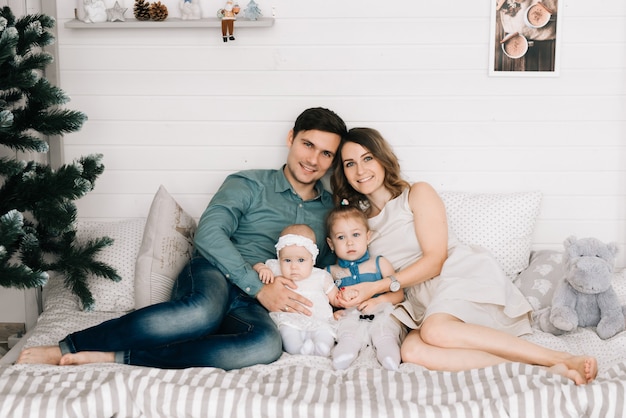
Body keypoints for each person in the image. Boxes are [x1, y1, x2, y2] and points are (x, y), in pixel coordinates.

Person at [17, 107, 347, 370]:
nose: (313, 160)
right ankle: (67, 346)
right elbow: (210, 233)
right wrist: (258, 285)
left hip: (259, 302)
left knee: (264, 345)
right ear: (291, 138)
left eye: (326, 154)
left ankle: (118, 357)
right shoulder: (249, 183)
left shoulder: (329, 211)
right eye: (308, 145)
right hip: (215, 272)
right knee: (200, 313)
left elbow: (329, 269)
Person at [329, 127, 598, 385]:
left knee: (436, 331)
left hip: (454, 272)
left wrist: (376, 287)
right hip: (416, 295)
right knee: (412, 352)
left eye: (367, 158)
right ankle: (543, 373)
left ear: (382, 159)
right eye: (350, 163)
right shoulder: (356, 224)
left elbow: (435, 260)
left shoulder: (416, 193)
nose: (360, 170)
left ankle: (563, 358)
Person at [325, 203, 405, 370]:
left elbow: (399, 295)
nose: (349, 243)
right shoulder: (330, 272)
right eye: (341, 237)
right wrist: (333, 311)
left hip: (381, 313)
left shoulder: (379, 263)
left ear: (367, 237)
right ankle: (346, 352)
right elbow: (325, 300)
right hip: (350, 317)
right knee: (347, 331)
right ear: (331, 243)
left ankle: (388, 352)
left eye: (355, 235)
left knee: (385, 330)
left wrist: (379, 301)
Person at [254, 224, 339, 357]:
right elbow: (258, 265)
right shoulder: (276, 269)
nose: (294, 266)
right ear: (279, 258)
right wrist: (261, 269)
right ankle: (298, 349)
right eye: (287, 260)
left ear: (312, 260)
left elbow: (335, 298)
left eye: (301, 260)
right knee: (288, 334)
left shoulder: (321, 276)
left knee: (325, 332)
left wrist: (345, 300)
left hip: (318, 319)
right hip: (290, 319)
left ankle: (322, 348)